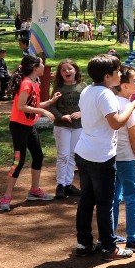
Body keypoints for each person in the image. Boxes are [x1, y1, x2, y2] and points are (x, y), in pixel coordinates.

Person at [72, 54, 135, 259]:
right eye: (117, 71)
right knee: (105, 203)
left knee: (86, 199)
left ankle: (84, 243)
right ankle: (109, 246)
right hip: (101, 156)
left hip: (84, 151)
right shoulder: (106, 94)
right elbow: (116, 123)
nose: (120, 74)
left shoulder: (87, 90)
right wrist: (132, 106)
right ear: (108, 76)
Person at [0, 55, 60, 211]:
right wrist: (42, 111)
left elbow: (34, 104)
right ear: (35, 67)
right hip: (19, 126)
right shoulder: (26, 83)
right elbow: (21, 106)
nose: (43, 67)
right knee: (18, 161)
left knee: (38, 156)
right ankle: (6, 197)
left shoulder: (34, 83)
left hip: (29, 125)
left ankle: (34, 190)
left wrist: (50, 102)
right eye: (41, 64)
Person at [112, 67, 135, 252]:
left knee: (114, 197)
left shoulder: (110, 102)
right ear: (124, 85)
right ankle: (134, 237)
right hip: (125, 157)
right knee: (133, 196)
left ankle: (111, 235)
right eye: (134, 81)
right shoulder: (129, 105)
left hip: (110, 157)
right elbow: (134, 138)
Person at [50, 59, 86, 199]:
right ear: (60, 73)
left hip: (78, 127)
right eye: (63, 70)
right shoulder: (59, 88)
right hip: (62, 126)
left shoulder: (83, 87)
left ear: (75, 70)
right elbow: (52, 106)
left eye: (69, 69)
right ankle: (60, 185)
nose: (67, 72)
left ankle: (68, 185)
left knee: (72, 155)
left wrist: (82, 113)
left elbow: (89, 105)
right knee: (63, 155)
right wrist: (61, 116)